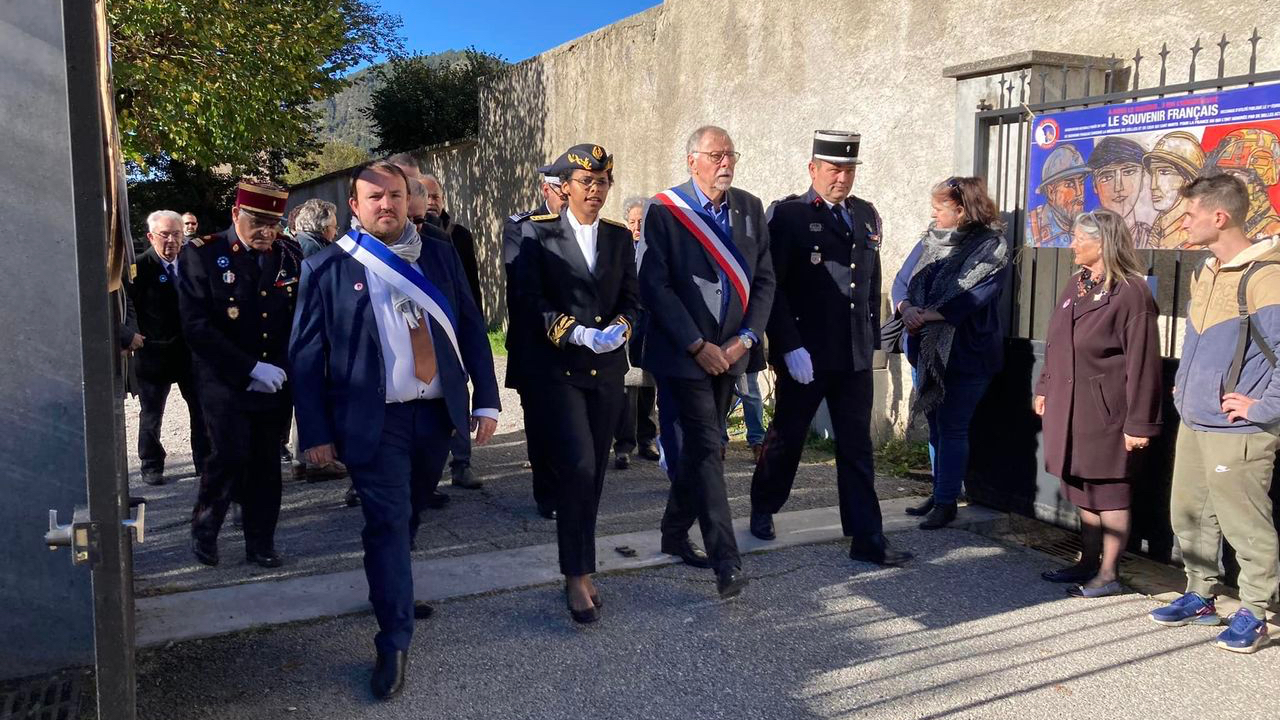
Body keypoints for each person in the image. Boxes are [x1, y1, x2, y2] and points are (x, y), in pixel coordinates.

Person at [290, 160, 499, 697]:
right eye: (374, 197)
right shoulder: (329, 268)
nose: (386, 204)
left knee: (408, 514)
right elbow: (307, 359)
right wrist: (314, 434)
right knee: (386, 521)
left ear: (411, 201)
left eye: (395, 195)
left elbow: (471, 327)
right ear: (354, 207)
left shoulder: (442, 255)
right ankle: (394, 638)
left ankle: (392, 587)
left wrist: (488, 400)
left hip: (435, 416)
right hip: (373, 422)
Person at [747, 130, 911, 564]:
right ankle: (763, 504)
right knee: (788, 435)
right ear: (813, 169)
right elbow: (773, 288)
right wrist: (787, 346)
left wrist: (875, 342)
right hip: (807, 354)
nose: (843, 177)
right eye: (834, 169)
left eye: (850, 169)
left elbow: (870, 282)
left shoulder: (865, 215)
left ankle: (866, 537)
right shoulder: (789, 215)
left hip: (853, 354)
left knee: (857, 445)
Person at [639, 125, 775, 599]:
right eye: (716, 155)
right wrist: (698, 344)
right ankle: (726, 561)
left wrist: (746, 338)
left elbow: (764, 281)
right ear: (691, 160)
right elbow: (655, 285)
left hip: (732, 352)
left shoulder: (750, 208)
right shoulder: (666, 210)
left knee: (701, 450)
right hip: (685, 356)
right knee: (708, 446)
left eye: (730, 155)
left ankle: (674, 531)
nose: (725, 163)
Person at [1149, 174, 1280, 654]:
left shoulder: (1267, 276)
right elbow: (1199, 341)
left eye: (1189, 214)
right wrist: (1187, 387)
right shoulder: (1206, 270)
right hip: (1197, 419)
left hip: (1240, 429)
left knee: (1245, 521)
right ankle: (1200, 595)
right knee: (1190, 513)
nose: (1182, 222)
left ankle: (1255, 612)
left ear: (1219, 217)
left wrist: (1265, 406)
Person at [515, 143, 638, 623]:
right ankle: (575, 575)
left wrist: (619, 331)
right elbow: (528, 301)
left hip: (606, 371)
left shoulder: (617, 238)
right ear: (563, 187)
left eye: (602, 182)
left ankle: (583, 566)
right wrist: (576, 332)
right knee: (579, 467)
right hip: (561, 372)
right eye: (586, 182)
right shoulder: (538, 234)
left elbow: (633, 297)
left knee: (598, 472)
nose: (595, 190)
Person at [1033, 210, 1162, 597]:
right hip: (1071, 406)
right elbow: (1056, 341)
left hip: (1106, 412)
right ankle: (1087, 561)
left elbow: (1144, 364)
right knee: (1081, 487)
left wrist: (1139, 424)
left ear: (1102, 243)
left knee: (1109, 492)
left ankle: (1109, 573)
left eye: (1078, 238)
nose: (1071, 244)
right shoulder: (1077, 283)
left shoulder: (1131, 292)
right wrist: (1044, 385)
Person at [176, 181, 301, 569]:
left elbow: (295, 319)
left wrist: (280, 368)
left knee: (266, 463)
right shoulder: (204, 254)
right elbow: (197, 327)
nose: (267, 232)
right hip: (224, 381)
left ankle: (260, 541)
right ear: (236, 215)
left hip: (274, 381)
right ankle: (206, 528)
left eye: (274, 223)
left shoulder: (287, 256)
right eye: (258, 223)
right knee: (228, 455)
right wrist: (249, 368)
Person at [892, 176, 1010, 530]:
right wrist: (906, 307)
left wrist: (928, 314)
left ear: (960, 211)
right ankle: (940, 489)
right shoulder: (929, 240)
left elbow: (976, 296)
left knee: (953, 426)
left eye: (940, 208)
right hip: (925, 349)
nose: (933, 213)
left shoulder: (992, 248)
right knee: (934, 426)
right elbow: (902, 279)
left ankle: (946, 502)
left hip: (967, 354)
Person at [128, 210, 211, 485]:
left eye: (177, 234)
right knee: (151, 414)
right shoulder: (139, 268)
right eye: (165, 235)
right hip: (154, 353)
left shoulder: (193, 262)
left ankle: (204, 461)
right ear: (151, 237)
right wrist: (132, 333)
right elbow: (126, 306)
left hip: (190, 352)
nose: (172, 241)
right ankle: (151, 464)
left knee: (200, 409)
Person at [504, 170, 567, 519]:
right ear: (547, 189)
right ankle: (548, 494)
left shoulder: (587, 228)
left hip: (577, 342)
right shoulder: (521, 226)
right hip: (536, 340)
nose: (570, 195)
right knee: (542, 421)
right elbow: (521, 283)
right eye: (562, 190)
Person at [421, 174, 485, 490]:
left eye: (437, 196)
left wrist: (475, 324)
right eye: (427, 196)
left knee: (459, 391)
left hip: (454, 324)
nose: (432, 202)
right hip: (420, 329)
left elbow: (470, 285)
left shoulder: (457, 235)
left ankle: (462, 462)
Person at [613, 195, 660, 468]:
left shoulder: (656, 248)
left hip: (650, 321)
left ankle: (647, 439)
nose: (637, 226)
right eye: (632, 221)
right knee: (626, 385)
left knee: (647, 384)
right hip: (626, 321)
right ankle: (623, 445)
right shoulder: (619, 247)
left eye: (641, 221)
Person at [1088, 137, 1153, 249]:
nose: (1118, 187)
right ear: (1095, 185)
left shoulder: (1152, 239)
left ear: (1142, 178)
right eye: (1107, 176)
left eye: (1128, 172)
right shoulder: (1086, 239)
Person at [1144, 131, 1205, 248]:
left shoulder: (1197, 235)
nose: (1153, 185)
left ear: (1188, 180)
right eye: (1152, 174)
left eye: (1164, 172)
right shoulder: (1158, 228)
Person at [1029, 145, 1089, 247]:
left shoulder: (1090, 227)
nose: (1079, 192)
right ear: (1051, 192)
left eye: (1081, 182)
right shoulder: (1030, 226)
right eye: (1069, 185)